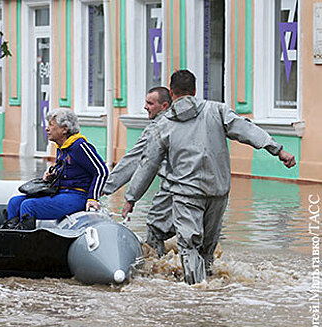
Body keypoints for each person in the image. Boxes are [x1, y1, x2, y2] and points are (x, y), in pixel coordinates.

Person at [122, 70, 296, 284]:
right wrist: (278, 150)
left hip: (186, 195)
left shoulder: (163, 125)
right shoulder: (217, 110)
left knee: (188, 245)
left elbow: (148, 165)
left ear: (171, 92)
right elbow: (247, 131)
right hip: (218, 193)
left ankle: (198, 297)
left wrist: (131, 198)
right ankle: (211, 297)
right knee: (207, 247)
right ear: (195, 91)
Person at [3, 108, 109, 230]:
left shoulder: (80, 146)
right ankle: (9, 235)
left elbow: (101, 171)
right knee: (14, 202)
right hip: (62, 193)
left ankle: (25, 242)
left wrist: (93, 198)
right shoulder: (62, 148)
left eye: (51, 125)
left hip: (78, 195)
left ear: (65, 129)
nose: (47, 128)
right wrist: (50, 177)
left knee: (29, 206)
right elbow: (69, 172)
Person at [102, 86, 174, 256]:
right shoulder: (189, 121)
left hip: (175, 189)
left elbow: (137, 161)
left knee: (155, 226)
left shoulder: (157, 128)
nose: (145, 107)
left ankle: (157, 272)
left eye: (150, 103)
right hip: (211, 189)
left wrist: (102, 189)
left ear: (164, 106)